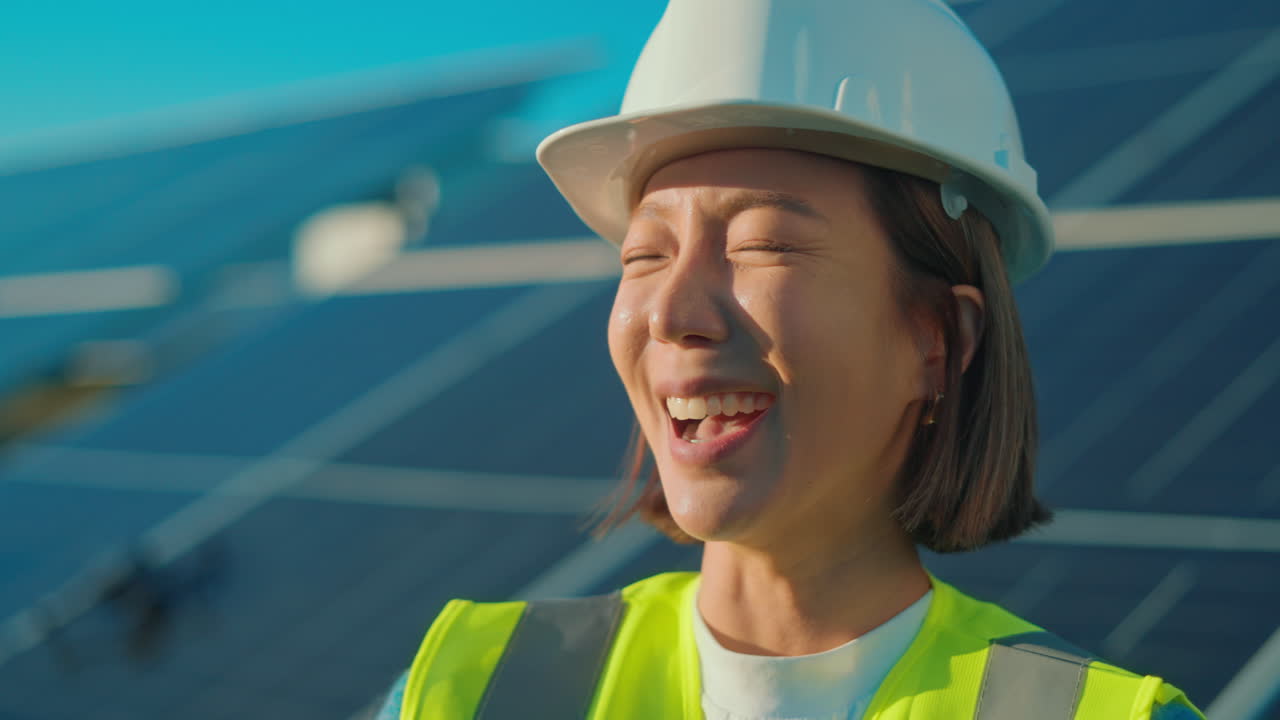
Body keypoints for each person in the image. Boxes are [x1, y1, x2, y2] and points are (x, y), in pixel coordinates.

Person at [377, 1, 1206, 717]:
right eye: (644, 257)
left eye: (763, 244)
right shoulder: (473, 689)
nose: (671, 312)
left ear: (939, 339)